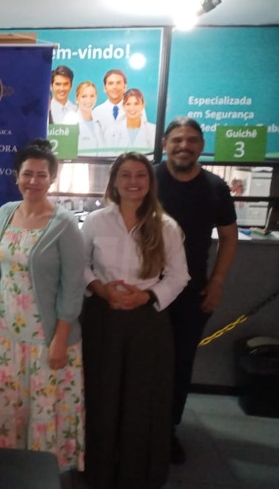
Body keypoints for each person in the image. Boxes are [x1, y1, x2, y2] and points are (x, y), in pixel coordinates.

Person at [0, 139, 86, 471]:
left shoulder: (64, 224)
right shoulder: (6, 212)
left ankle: (41, 471)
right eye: (27, 174)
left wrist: (61, 338)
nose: (34, 181)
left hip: (47, 337)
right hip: (6, 335)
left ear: (52, 179)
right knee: (5, 404)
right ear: (16, 176)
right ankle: (8, 467)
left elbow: (73, 286)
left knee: (43, 406)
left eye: (41, 175)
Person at [81, 152, 189, 489]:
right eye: (125, 175)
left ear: (150, 182)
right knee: (101, 393)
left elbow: (179, 276)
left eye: (140, 175)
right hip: (103, 317)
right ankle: (97, 471)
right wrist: (100, 288)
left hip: (147, 322)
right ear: (114, 181)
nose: (133, 181)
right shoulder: (95, 221)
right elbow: (79, 265)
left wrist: (146, 296)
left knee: (142, 397)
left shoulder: (167, 226)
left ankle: (136, 474)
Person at [155, 117, 238, 465]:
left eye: (191, 140)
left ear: (201, 146)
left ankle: (167, 431)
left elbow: (229, 238)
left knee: (180, 363)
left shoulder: (215, 188)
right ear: (164, 144)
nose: (184, 146)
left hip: (191, 293)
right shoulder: (147, 179)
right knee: (142, 361)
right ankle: (132, 427)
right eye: (177, 139)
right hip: (143, 289)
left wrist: (216, 282)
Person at [114, 88, 156, 155]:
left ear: (143, 105)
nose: (132, 108)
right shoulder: (112, 131)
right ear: (123, 106)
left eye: (136, 104)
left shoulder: (153, 130)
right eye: (128, 104)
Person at [74, 81, 102, 156]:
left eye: (92, 96)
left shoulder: (99, 121)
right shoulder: (71, 123)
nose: (88, 100)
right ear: (77, 99)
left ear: (96, 97)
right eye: (84, 96)